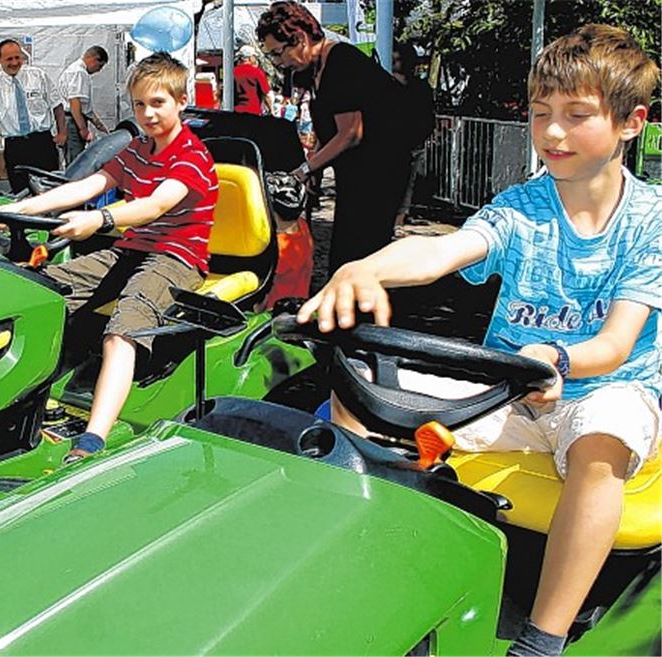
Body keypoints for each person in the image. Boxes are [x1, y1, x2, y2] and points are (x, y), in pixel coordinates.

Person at [298, 24, 660, 657]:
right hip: (511, 389)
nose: (551, 134)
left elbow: (618, 343)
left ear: (631, 123)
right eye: (543, 114)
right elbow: (442, 250)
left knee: (603, 437)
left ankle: (542, 637)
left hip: (603, 387)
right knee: (359, 386)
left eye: (577, 117)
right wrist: (364, 267)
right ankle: (361, 562)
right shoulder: (523, 205)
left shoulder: (649, 223)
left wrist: (557, 360)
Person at [2, 52, 218, 462]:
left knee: (124, 327)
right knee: (37, 290)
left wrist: (99, 219)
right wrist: (23, 209)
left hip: (177, 256)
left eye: (158, 103)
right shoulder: (138, 149)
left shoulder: (192, 155)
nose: (148, 113)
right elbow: (91, 183)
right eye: (140, 105)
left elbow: (155, 205)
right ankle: (25, 403)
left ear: (181, 101)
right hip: (132, 248)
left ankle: (92, 440)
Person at [257, 1, 413, 275]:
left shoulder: (342, 62)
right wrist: (314, 166)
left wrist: (305, 170)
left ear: (301, 39)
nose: (279, 62)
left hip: (379, 173)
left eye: (278, 53)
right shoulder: (315, 71)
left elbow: (351, 133)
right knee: (343, 253)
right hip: (356, 172)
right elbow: (327, 129)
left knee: (358, 254)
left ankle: (361, 313)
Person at [0, 39, 66, 194]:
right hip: (15, 148)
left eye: (17, 57)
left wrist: (62, 133)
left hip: (43, 144)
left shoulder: (38, 76)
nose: (14, 63)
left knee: (51, 193)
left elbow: (57, 105)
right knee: (22, 195)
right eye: (9, 59)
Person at [392, 43, 435, 228]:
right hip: (392, 144)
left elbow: (428, 117)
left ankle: (400, 217)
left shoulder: (421, 88)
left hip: (412, 144)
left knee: (407, 184)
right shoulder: (387, 85)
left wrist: (419, 137)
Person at [59, 46, 112, 164]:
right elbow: (75, 102)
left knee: (76, 158)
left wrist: (98, 124)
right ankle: (73, 182)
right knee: (76, 162)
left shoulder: (75, 70)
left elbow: (85, 107)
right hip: (73, 121)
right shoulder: (79, 72)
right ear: (93, 59)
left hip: (73, 119)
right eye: (100, 66)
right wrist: (82, 129)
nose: (99, 70)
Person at [232, 44, 274, 116]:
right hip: (254, 113)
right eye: (254, 56)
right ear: (250, 58)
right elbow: (266, 94)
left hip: (236, 112)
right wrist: (271, 110)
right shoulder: (257, 72)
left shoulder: (233, 72)